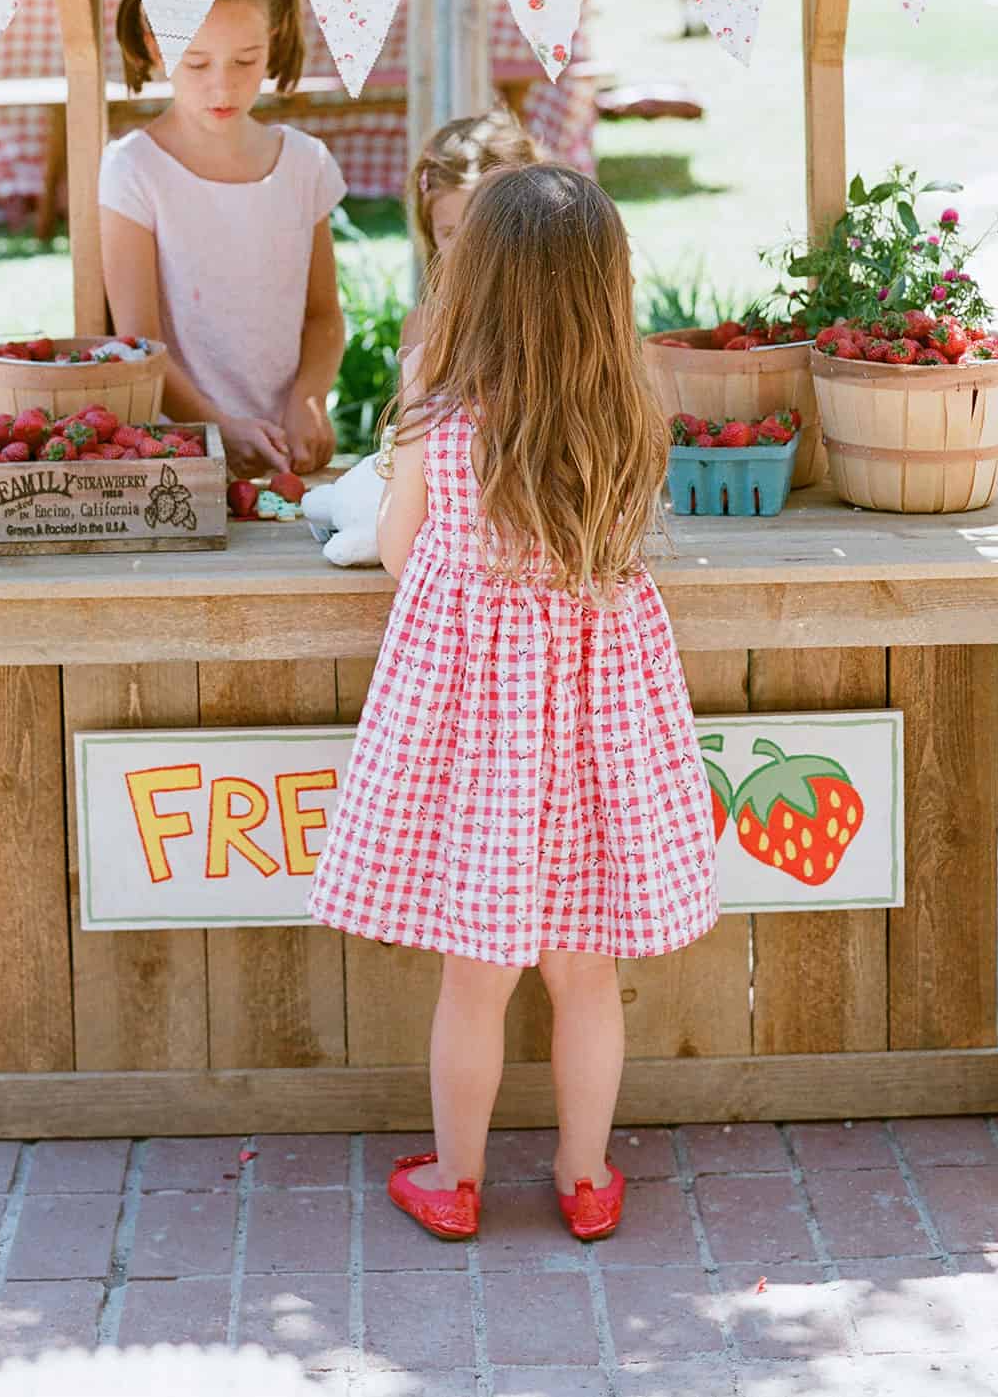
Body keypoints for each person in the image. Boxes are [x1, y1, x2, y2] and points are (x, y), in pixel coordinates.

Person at [308, 164, 719, 1244]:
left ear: (472, 280)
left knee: (474, 983)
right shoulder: (628, 415)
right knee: (587, 977)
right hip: (595, 730)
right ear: (605, 287)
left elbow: (399, 550)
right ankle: (585, 1180)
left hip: (480, 737)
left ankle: (454, 1176)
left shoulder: (438, 420)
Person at [101, 0, 347, 479]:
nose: (223, 86)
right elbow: (138, 343)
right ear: (154, 45)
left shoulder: (305, 165)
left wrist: (308, 402)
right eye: (196, 62)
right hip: (176, 460)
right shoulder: (133, 171)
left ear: (274, 44)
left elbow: (324, 315)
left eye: (245, 60)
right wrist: (218, 427)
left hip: (288, 459)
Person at [400, 107, 539, 349]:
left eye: (481, 229)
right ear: (430, 232)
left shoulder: (546, 326)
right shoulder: (422, 330)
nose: (465, 248)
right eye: (449, 233)